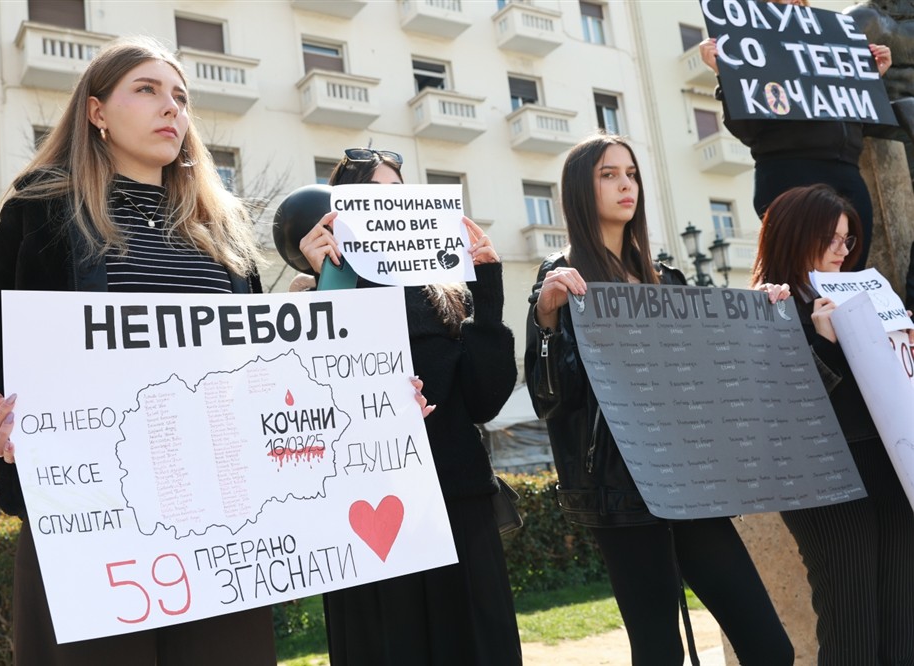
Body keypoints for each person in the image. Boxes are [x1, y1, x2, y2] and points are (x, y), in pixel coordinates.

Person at [0, 36, 276, 665]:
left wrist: (364, 401)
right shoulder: (41, 212)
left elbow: (261, 363)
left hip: (219, 511)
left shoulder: (224, 227)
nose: (172, 108)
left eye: (181, 97)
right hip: (88, 509)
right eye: (147, 89)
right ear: (96, 112)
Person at [525, 132, 794, 666]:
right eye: (609, 174)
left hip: (690, 480)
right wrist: (548, 318)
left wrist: (754, 316)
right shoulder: (562, 276)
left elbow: (707, 377)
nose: (626, 185)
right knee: (659, 652)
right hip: (620, 492)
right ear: (582, 188)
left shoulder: (665, 278)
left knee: (770, 647)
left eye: (631, 173)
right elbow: (551, 398)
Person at [296, 147, 522, 665]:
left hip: (457, 504)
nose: (391, 210)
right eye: (375, 198)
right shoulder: (317, 294)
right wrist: (330, 282)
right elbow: (315, 398)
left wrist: (486, 285)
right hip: (365, 508)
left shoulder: (445, 293)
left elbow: (486, 400)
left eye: (400, 197)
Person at [751, 183, 914, 666]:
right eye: (832, 237)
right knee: (851, 619)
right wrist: (823, 343)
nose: (842, 250)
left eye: (848, 239)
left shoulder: (867, 295)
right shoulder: (766, 305)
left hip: (889, 461)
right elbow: (777, 409)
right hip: (820, 478)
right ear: (795, 234)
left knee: (902, 616)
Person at [699, 0, 893, 270]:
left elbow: (858, 121)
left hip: (849, 175)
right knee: (800, 273)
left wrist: (870, 78)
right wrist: (727, 76)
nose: (790, 2)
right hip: (790, 174)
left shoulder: (830, 39)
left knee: (849, 271)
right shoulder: (752, 45)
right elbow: (747, 129)